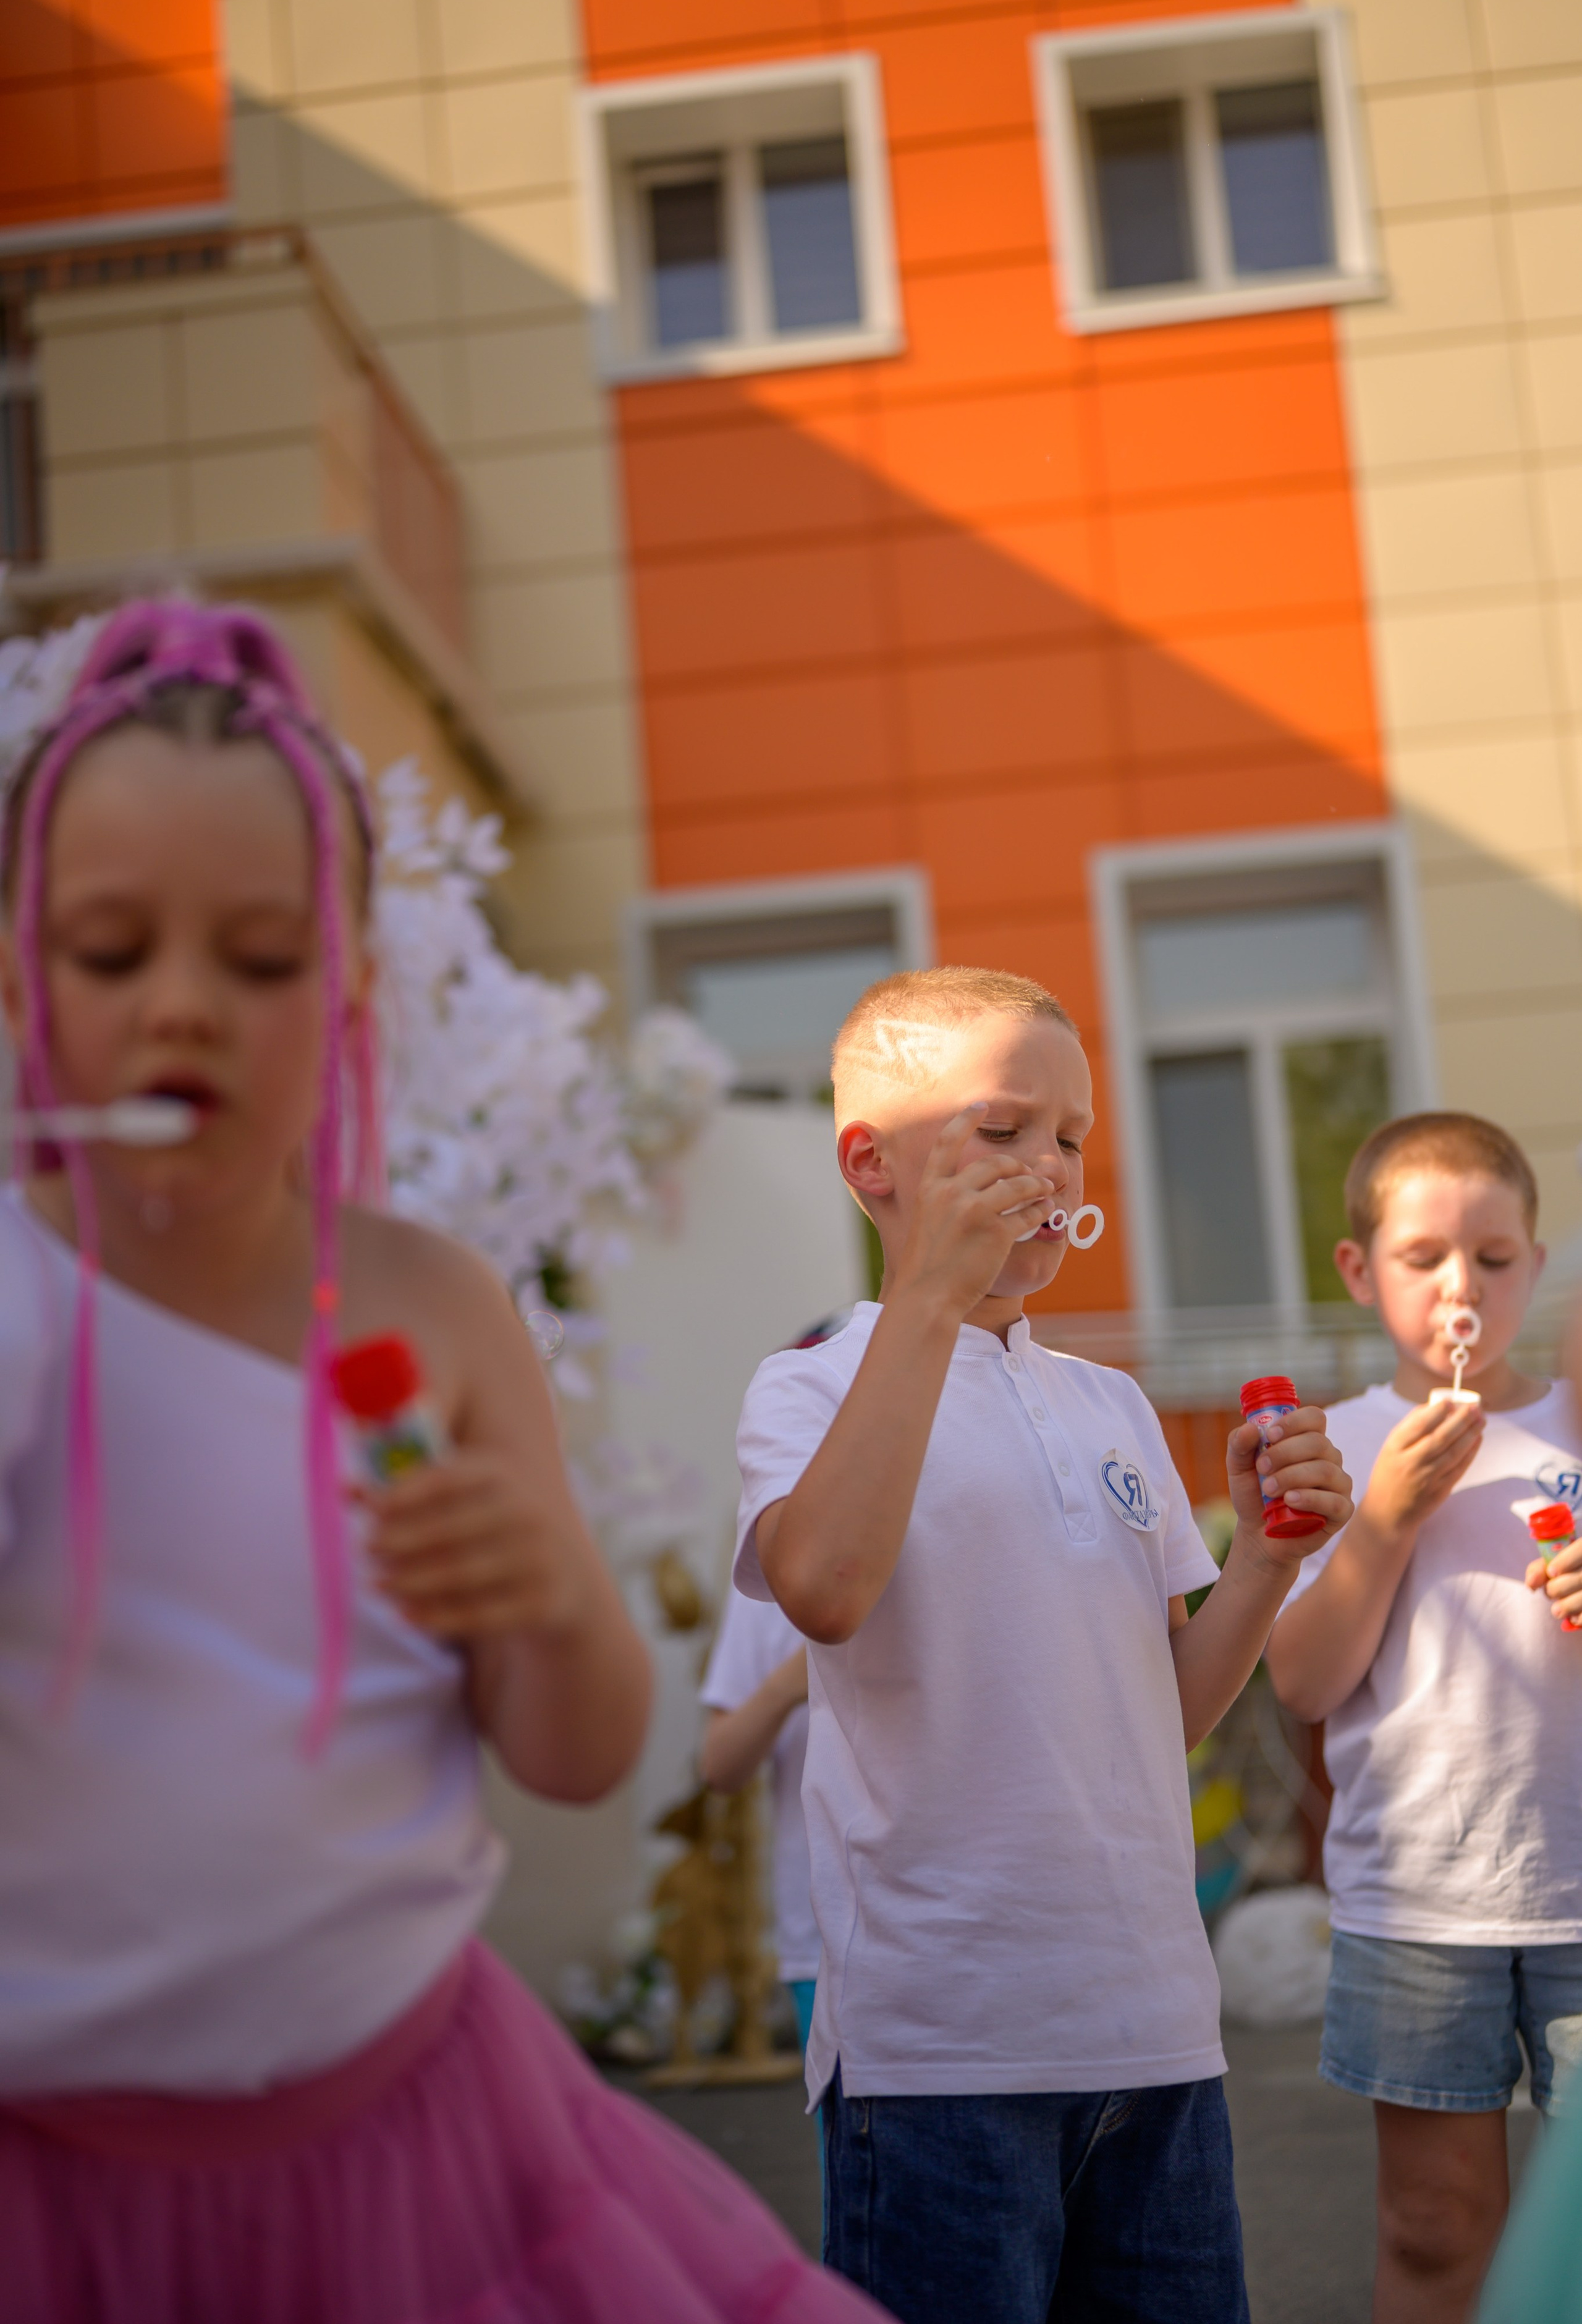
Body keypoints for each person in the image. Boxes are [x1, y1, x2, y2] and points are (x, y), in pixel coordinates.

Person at [0, 598, 880, 2324]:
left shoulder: (429, 1308)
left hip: (417, 2149)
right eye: (109, 950)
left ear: (351, 985)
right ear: (19, 972)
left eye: (261, 958)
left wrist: (544, 1600)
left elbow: (580, 1751)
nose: (183, 1005)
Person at [732, 966, 1354, 2324]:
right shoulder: (811, 1384)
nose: (1050, 1166)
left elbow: (1162, 1711)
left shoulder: (1110, 1404)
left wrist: (1263, 1560)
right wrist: (930, 1299)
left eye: (1069, 1136)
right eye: (1003, 1129)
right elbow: (823, 1589)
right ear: (871, 1163)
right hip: (939, 2051)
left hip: (1156, 2029)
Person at [1267, 1112, 1582, 2324]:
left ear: (1534, 1265)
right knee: (1433, 2223)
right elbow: (1301, 1683)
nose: (1461, 1287)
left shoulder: (1574, 1426)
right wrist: (1386, 1518)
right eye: (1422, 1257)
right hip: (1417, 1901)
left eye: (1494, 1259)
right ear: (1358, 1269)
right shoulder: (1334, 1445)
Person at [700, 1582, 816, 2046]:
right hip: (827, 1939)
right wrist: (790, 1683)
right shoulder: (770, 1571)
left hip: (984, 1928)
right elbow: (720, 1766)